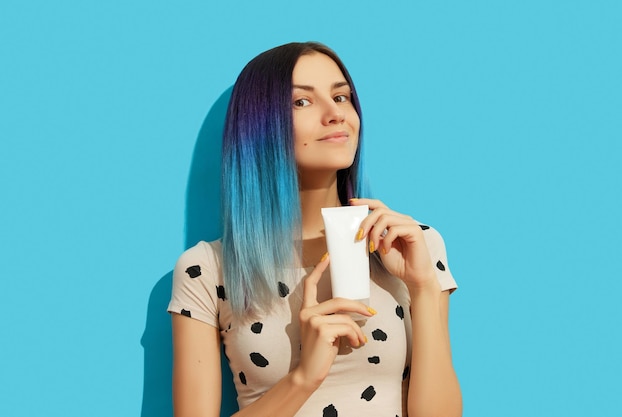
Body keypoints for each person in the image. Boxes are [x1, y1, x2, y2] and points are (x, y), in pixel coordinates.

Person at [168, 41, 462, 417]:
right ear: (260, 127)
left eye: (341, 97)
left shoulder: (412, 246)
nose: (335, 114)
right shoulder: (207, 269)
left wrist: (422, 288)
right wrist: (305, 377)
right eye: (301, 102)